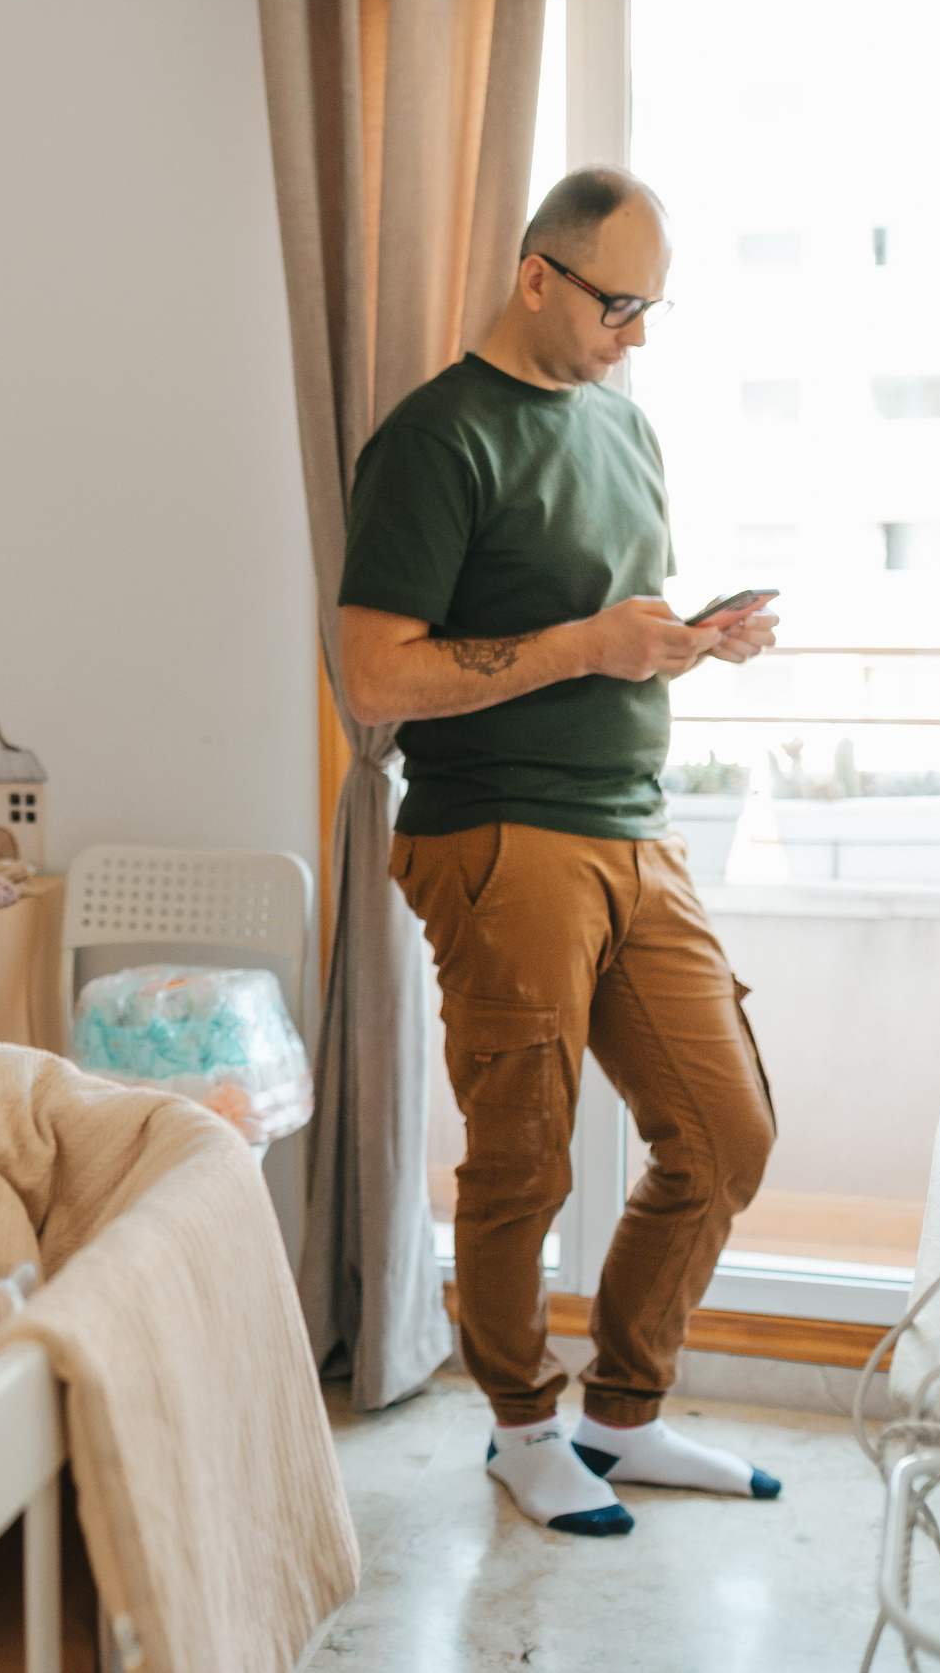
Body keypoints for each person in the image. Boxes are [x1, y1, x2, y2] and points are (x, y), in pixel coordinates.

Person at [337, 167, 782, 1537]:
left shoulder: (623, 428)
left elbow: (605, 630)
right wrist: (594, 642)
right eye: (620, 304)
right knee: (523, 1161)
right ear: (541, 276)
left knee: (724, 1130)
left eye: (651, 310)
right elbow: (373, 675)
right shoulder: (434, 438)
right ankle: (522, 1424)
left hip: (635, 827)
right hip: (499, 835)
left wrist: (686, 643)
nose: (634, 334)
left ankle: (622, 1416)